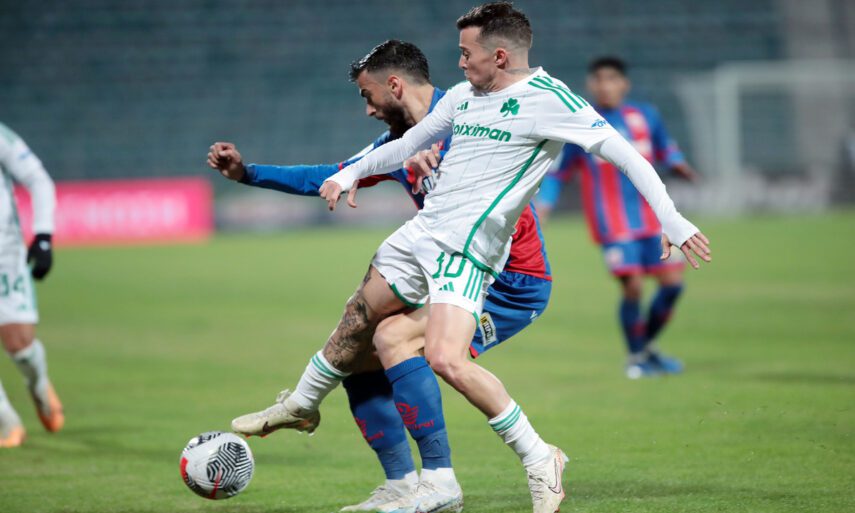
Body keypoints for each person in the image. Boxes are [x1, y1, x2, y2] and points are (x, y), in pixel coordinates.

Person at [318, 3, 710, 512]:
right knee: (395, 337)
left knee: (443, 357)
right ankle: (450, 476)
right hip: (439, 242)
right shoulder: (463, 97)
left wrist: (671, 219)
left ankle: (532, 458)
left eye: (467, 53)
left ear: (499, 56)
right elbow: (409, 143)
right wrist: (350, 172)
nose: (459, 63)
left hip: (477, 255)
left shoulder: (550, 100)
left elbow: (627, 155)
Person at [208, 40, 553, 513]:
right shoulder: (400, 142)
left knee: (395, 338)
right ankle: (400, 484)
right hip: (448, 272)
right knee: (360, 354)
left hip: (510, 283)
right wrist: (247, 173)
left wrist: (448, 159)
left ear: (394, 85)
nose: (368, 110)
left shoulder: (473, 116)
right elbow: (333, 173)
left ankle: (450, 479)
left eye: (368, 96)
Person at [535, 56, 699, 379]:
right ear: (590, 84)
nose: (605, 86)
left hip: (654, 221)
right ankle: (636, 358)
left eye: (611, 79)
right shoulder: (582, 122)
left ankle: (645, 348)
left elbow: (665, 148)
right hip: (612, 224)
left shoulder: (646, 115)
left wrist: (678, 163)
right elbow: (559, 172)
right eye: (598, 79)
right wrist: (545, 205)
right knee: (633, 287)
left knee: (672, 286)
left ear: (624, 84)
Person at [0, 122, 64, 448]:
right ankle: (6, 421)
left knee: (21, 346)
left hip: (5, 255)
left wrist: (43, 236)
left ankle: (39, 386)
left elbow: (38, 179)